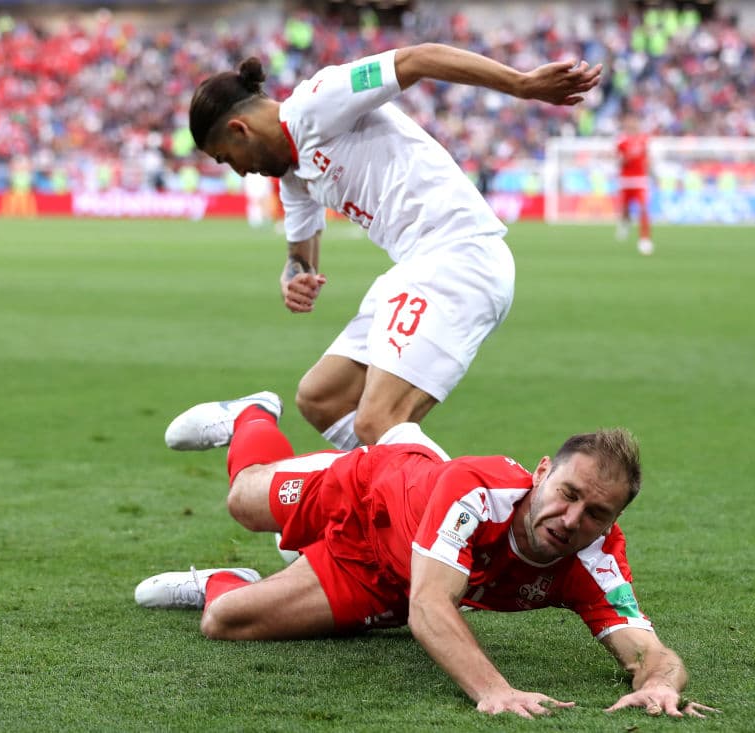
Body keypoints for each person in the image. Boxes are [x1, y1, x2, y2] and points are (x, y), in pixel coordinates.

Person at [138, 394, 719, 719]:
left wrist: (660, 684)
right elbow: (431, 608)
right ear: (542, 473)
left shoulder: (596, 558)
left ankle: (223, 580)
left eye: (596, 513)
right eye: (567, 494)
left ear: (613, 521)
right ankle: (251, 416)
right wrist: (494, 689)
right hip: (367, 491)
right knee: (243, 500)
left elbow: (650, 651)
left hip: (390, 579)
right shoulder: (477, 491)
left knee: (224, 619)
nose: (572, 520)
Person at [174, 44, 602, 453]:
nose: (240, 171)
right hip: (418, 266)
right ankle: (400, 493)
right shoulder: (292, 176)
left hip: (459, 254)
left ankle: (462, 500)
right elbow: (300, 255)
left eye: (226, 158)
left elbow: (419, 58)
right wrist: (295, 277)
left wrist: (522, 84)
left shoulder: (317, 102)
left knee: (377, 420)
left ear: (240, 129)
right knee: (321, 399)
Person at [615, 114, 654, 255]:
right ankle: (625, 222)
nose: (632, 125)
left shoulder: (644, 139)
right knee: (625, 209)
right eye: (629, 122)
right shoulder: (621, 141)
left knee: (643, 209)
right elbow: (618, 161)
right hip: (626, 180)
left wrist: (651, 173)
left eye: (634, 122)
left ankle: (644, 239)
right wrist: (625, 159)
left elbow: (648, 158)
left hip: (640, 180)